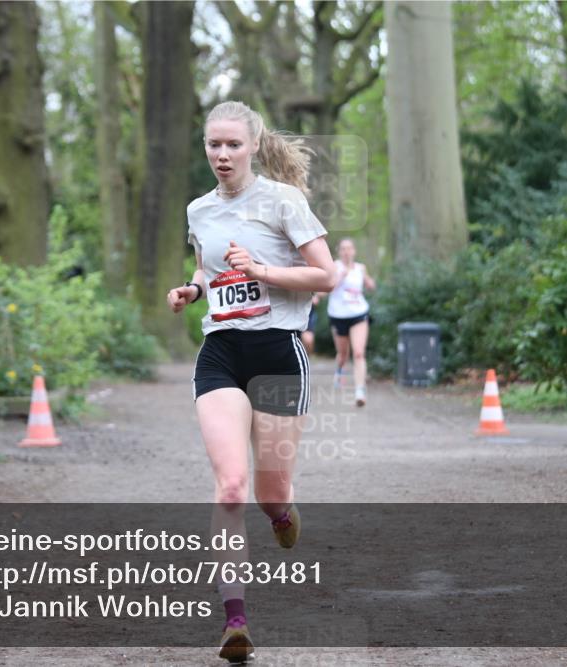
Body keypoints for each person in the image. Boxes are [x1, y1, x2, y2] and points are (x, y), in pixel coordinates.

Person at [166, 101, 336, 663]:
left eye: (232, 145)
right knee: (231, 486)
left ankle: (283, 515)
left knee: (270, 492)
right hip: (220, 352)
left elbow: (326, 275)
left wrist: (262, 271)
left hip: (279, 353)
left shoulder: (285, 201)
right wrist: (192, 290)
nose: (221, 154)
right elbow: (205, 267)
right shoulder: (199, 210)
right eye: (213, 144)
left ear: (254, 146)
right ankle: (234, 622)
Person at [326, 238, 376, 407]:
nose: (347, 252)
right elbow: (327, 289)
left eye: (349, 248)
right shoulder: (334, 266)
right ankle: (339, 370)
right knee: (343, 355)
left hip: (359, 313)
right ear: (339, 252)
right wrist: (340, 277)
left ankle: (360, 390)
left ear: (354, 251)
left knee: (359, 353)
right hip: (338, 315)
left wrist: (369, 283)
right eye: (343, 249)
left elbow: (371, 285)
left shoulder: (361, 268)